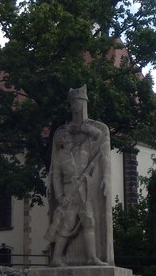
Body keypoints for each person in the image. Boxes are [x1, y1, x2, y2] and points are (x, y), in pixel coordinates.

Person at [45, 85, 113, 266]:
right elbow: (55, 176)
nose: (67, 139)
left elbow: (100, 138)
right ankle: (57, 257)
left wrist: (85, 129)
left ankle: (92, 258)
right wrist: (59, 196)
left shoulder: (83, 146)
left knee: (88, 222)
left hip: (83, 190)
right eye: (65, 139)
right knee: (66, 225)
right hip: (69, 192)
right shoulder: (60, 155)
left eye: (78, 102)